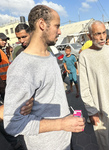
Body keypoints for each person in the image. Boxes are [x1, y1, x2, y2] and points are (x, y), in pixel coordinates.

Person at [3, 5, 85, 150]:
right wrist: (61, 124)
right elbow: (13, 124)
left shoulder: (49, 55)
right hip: (46, 145)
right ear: (42, 24)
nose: (60, 31)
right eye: (57, 26)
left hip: (64, 139)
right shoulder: (22, 66)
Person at [79, 20, 109, 150]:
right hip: (98, 108)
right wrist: (91, 112)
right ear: (89, 36)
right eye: (97, 34)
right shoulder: (84, 56)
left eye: (104, 33)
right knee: (103, 144)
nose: (102, 37)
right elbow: (84, 88)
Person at [0, 33, 10, 100]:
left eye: (6, 40)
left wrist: (8, 54)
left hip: (4, 80)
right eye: (3, 40)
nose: (5, 42)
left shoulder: (1, 51)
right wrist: (1, 83)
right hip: (2, 82)